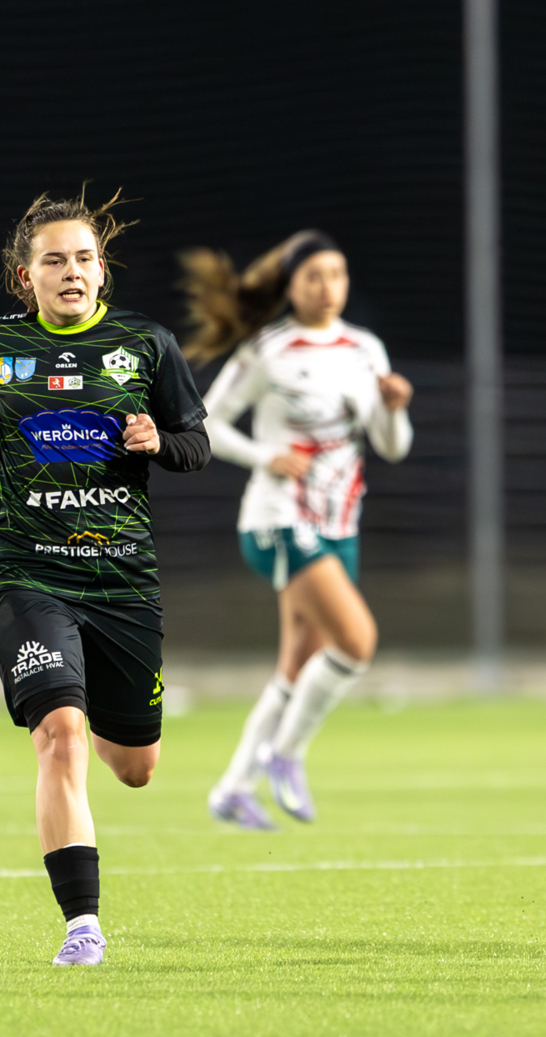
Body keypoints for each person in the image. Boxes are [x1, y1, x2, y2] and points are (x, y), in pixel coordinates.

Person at [0, 190, 211, 965]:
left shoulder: (145, 344)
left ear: (101, 272)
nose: (71, 272)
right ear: (26, 277)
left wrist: (160, 440)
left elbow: (197, 445)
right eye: (53, 260)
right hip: (27, 579)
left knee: (135, 768)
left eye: (84, 258)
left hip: (122, 583)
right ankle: (81, 927)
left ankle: (98, 707)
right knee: (60, 738)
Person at [180, 231, 413, 830]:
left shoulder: (365, 349)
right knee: (356, 642)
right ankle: (284, 755)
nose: (328, 286)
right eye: (314, 276)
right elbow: (206, 423)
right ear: (291, 286)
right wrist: (265, 456)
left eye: (337, 274)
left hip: (339, 521)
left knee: (297, 665)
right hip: (279, 519)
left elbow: (392, 448)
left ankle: (233, 788)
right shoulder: (268, 350)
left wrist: (393, 407)